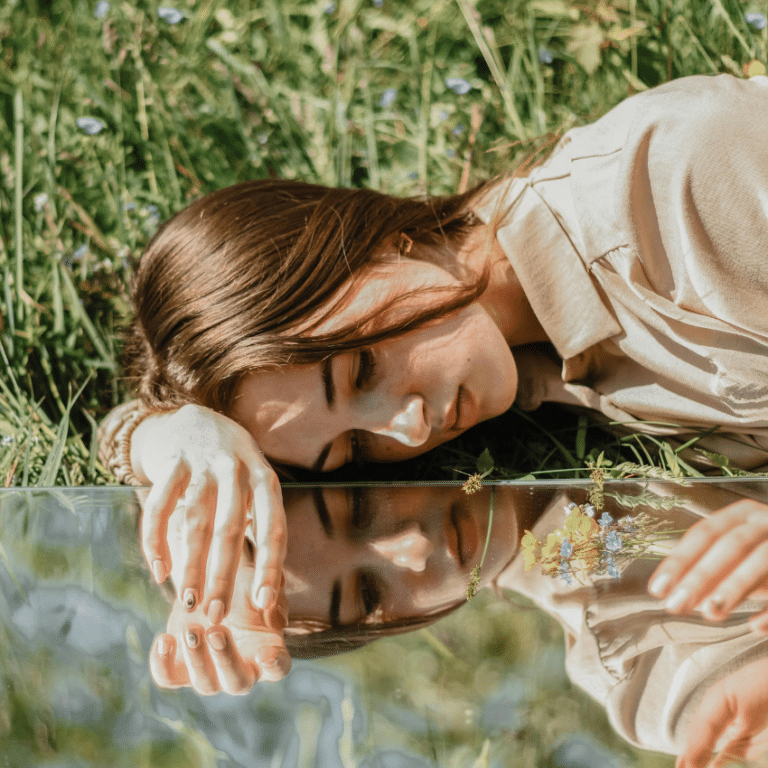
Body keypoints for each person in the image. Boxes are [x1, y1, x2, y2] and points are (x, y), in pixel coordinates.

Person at [98, 72, 768, 668]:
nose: (411, 425)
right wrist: (162, 437)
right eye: (353, 448)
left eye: (361, 370)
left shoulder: (678, 178)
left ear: (376, 244)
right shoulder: (529, 390)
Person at [149, 480, 768, 764]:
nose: (413, 550)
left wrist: (150, 436)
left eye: (362, 503)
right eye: (368, 592)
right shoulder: (642, 662)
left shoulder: (529, 367)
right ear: (389, 625)